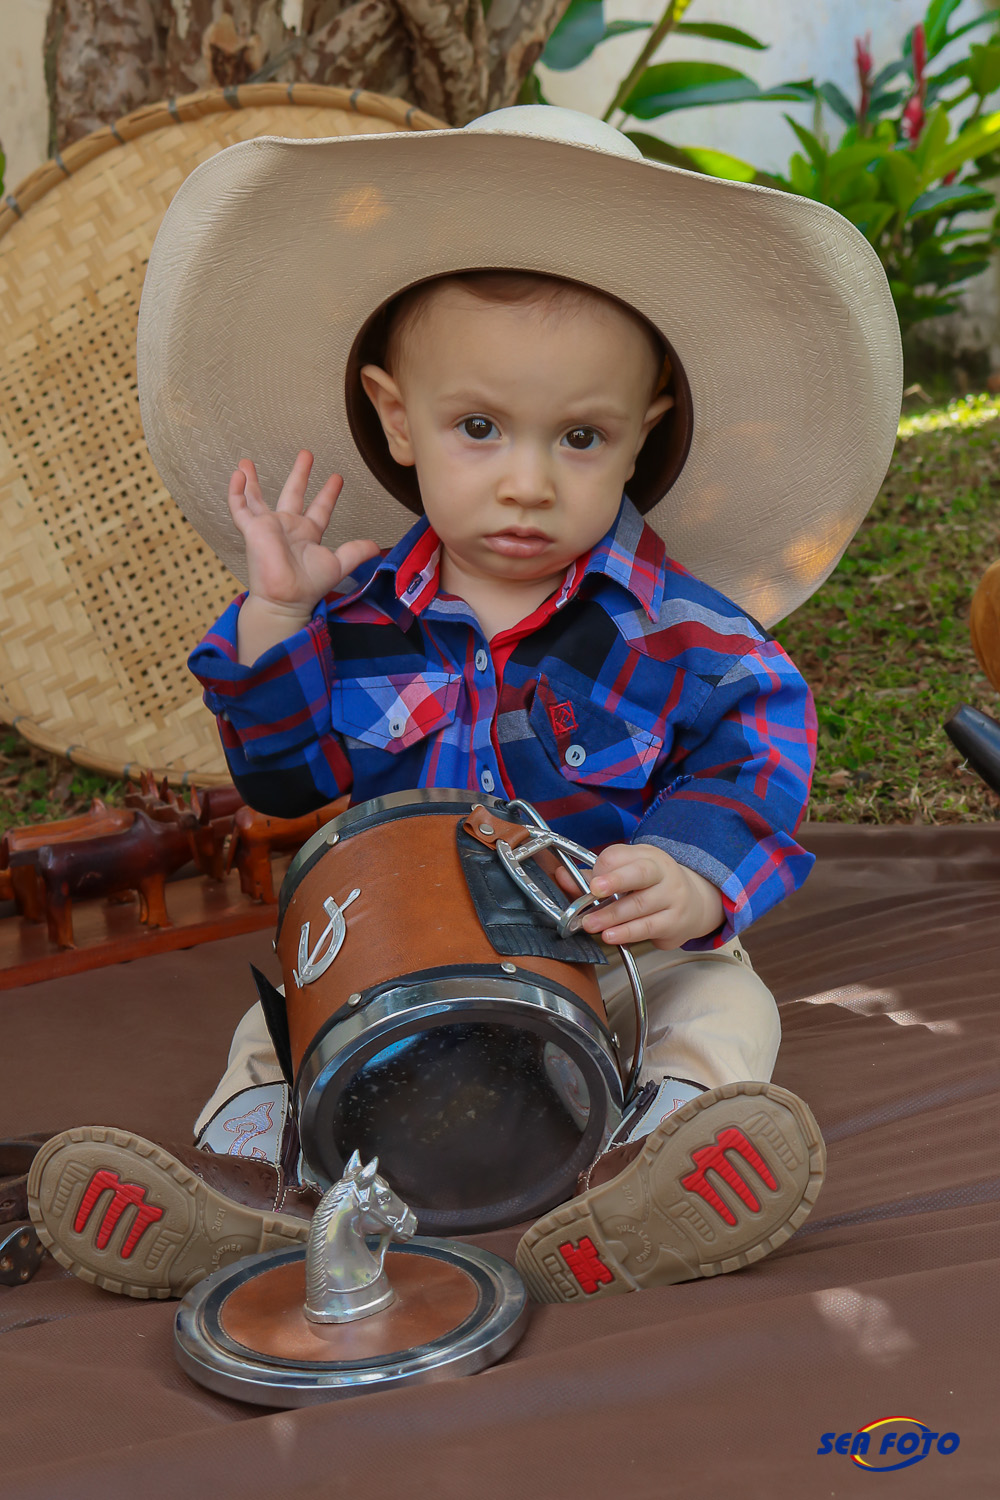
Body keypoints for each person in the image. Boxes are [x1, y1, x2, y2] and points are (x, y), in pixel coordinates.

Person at [28, 103, 902, 1304]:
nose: (527, 483)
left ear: (641, 437)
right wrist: (277, 617)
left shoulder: (684, 634)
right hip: (396, 958)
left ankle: (641, 1178)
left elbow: (756, 743)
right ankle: (250, 1201)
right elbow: (284, 778)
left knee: (722, 1004)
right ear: (397, 418)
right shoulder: (355, 616)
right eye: (479, 428)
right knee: (273, 1041)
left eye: (580, 437)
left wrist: (691, 872)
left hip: (609, 956)